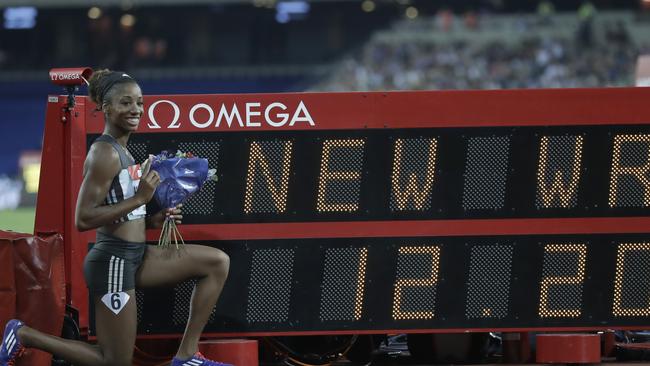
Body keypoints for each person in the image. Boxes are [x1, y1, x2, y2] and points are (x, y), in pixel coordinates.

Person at [0, 69, 231, 366]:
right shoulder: (104, 153)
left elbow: (121, 215)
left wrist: (152, 219)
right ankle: (24, 335)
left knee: (216, 263)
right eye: (125, 103)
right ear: (106, 108)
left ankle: (186, 355)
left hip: (135, 256)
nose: (135, 109)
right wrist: (140, 198)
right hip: (113, 262)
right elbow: (83, 218)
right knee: (115, 361)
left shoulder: (124, 152)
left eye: (139, 103)